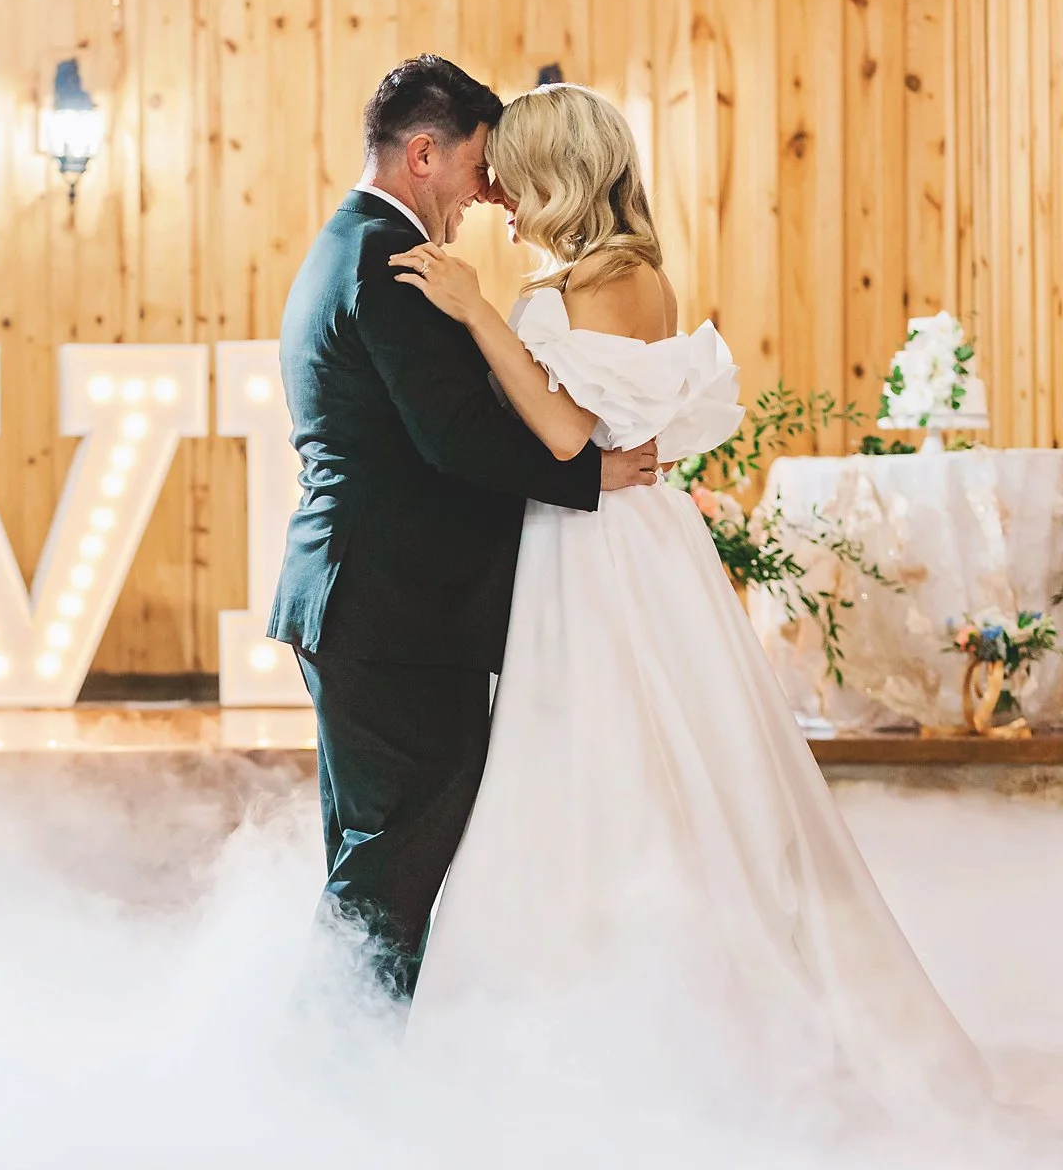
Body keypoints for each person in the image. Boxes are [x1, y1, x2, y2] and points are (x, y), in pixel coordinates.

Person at [389, 81, 992, 1112]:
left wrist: (476, 313)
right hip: (608, 537)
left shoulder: (593, 282)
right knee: (626, 756)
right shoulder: (604, 275)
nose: (492, 193)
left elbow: (567, 433)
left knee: (612, 759)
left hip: (600, 550)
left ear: (556, 174)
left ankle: (653, 1023)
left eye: (510, 174)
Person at [266, 56, 660, 1000]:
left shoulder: (350, 240)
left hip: (363, 599)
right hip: (393, 609)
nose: (489, 191)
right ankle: (338, 1063)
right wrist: (590, 473)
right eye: (479, 168)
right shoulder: (384, 256)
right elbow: (454, 437)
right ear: (425, 153)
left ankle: (340, 1056)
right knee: (400, 848)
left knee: (375, 845)